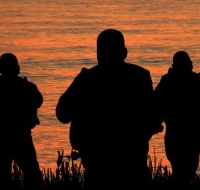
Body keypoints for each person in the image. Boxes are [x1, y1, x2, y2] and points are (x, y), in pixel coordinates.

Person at [56, 29, 161, 188]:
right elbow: (153, 114)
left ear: (98, 53)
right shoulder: (140, 76)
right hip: (131, 156)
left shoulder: (87, 79)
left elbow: (62, 114)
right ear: (124, 52)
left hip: (98, 157)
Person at [0, 53, 44, 188]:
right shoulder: (27, 87)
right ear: (17, 68)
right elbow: (38, 101)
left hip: (0, 139)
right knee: (33, 175)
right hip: (22, 138)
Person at [154, 51, 200, 184]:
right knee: (187, 164)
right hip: (188, 129)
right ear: (190, 64)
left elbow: (156, 103)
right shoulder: (198, 80)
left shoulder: (168, 80)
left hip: (180, 128)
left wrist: (157, 121)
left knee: (181, 164)